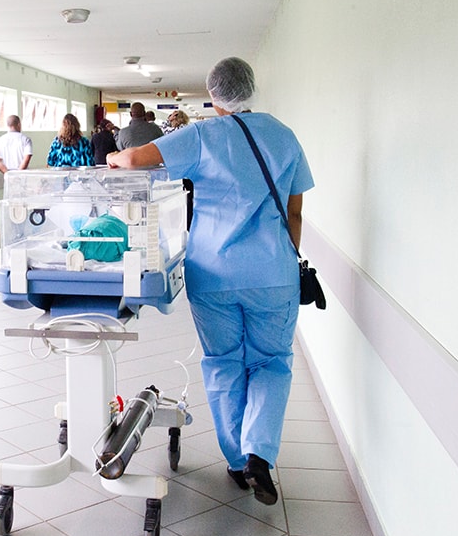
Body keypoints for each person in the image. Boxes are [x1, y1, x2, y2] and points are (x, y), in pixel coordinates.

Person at [107, 57, 314, 506]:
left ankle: (238, 463)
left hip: (214, 273)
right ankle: (259, 453)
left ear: (215, 95)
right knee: (271, 362)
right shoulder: (284, 136)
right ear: (251, 89)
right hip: (273, 274)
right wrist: (281, 258)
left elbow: (135, 159)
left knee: (223, 362)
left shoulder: (204, 135)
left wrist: (112, 155)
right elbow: (295, 213)